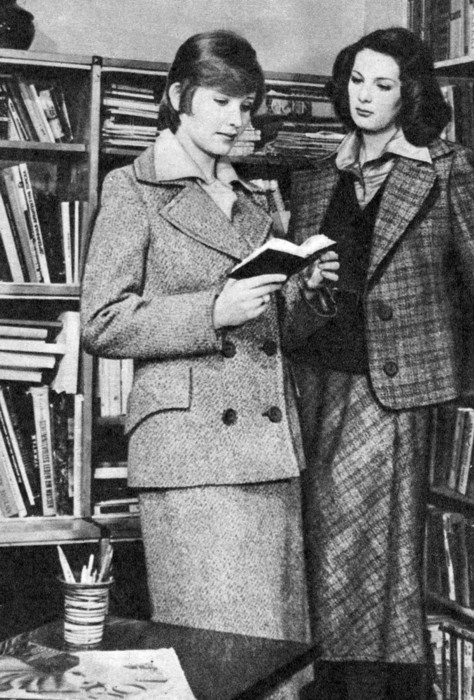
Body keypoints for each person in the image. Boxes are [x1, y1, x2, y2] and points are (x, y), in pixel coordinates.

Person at [284, 26, 474, 700]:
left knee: (361, 559)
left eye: (383, 85)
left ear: (410, 94)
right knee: (316, 554)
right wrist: (306, 286)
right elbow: (292, 298)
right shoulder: (316, 178)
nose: (365, 96)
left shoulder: (444, 167)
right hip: (309, 385)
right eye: (356, 81)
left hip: (389, 390)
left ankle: (363, 689)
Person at [80, 29, 338, 672]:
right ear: (178, 97)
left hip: (268, 450)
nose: (235, 119)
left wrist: (305, 294)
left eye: (245, 106)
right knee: (215, 654)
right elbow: (102, 321)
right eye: (220, 101)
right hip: (190, 454)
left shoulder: (252, 200)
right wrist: (211, 313)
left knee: (273, 655)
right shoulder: (132, 188)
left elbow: (274, 334)